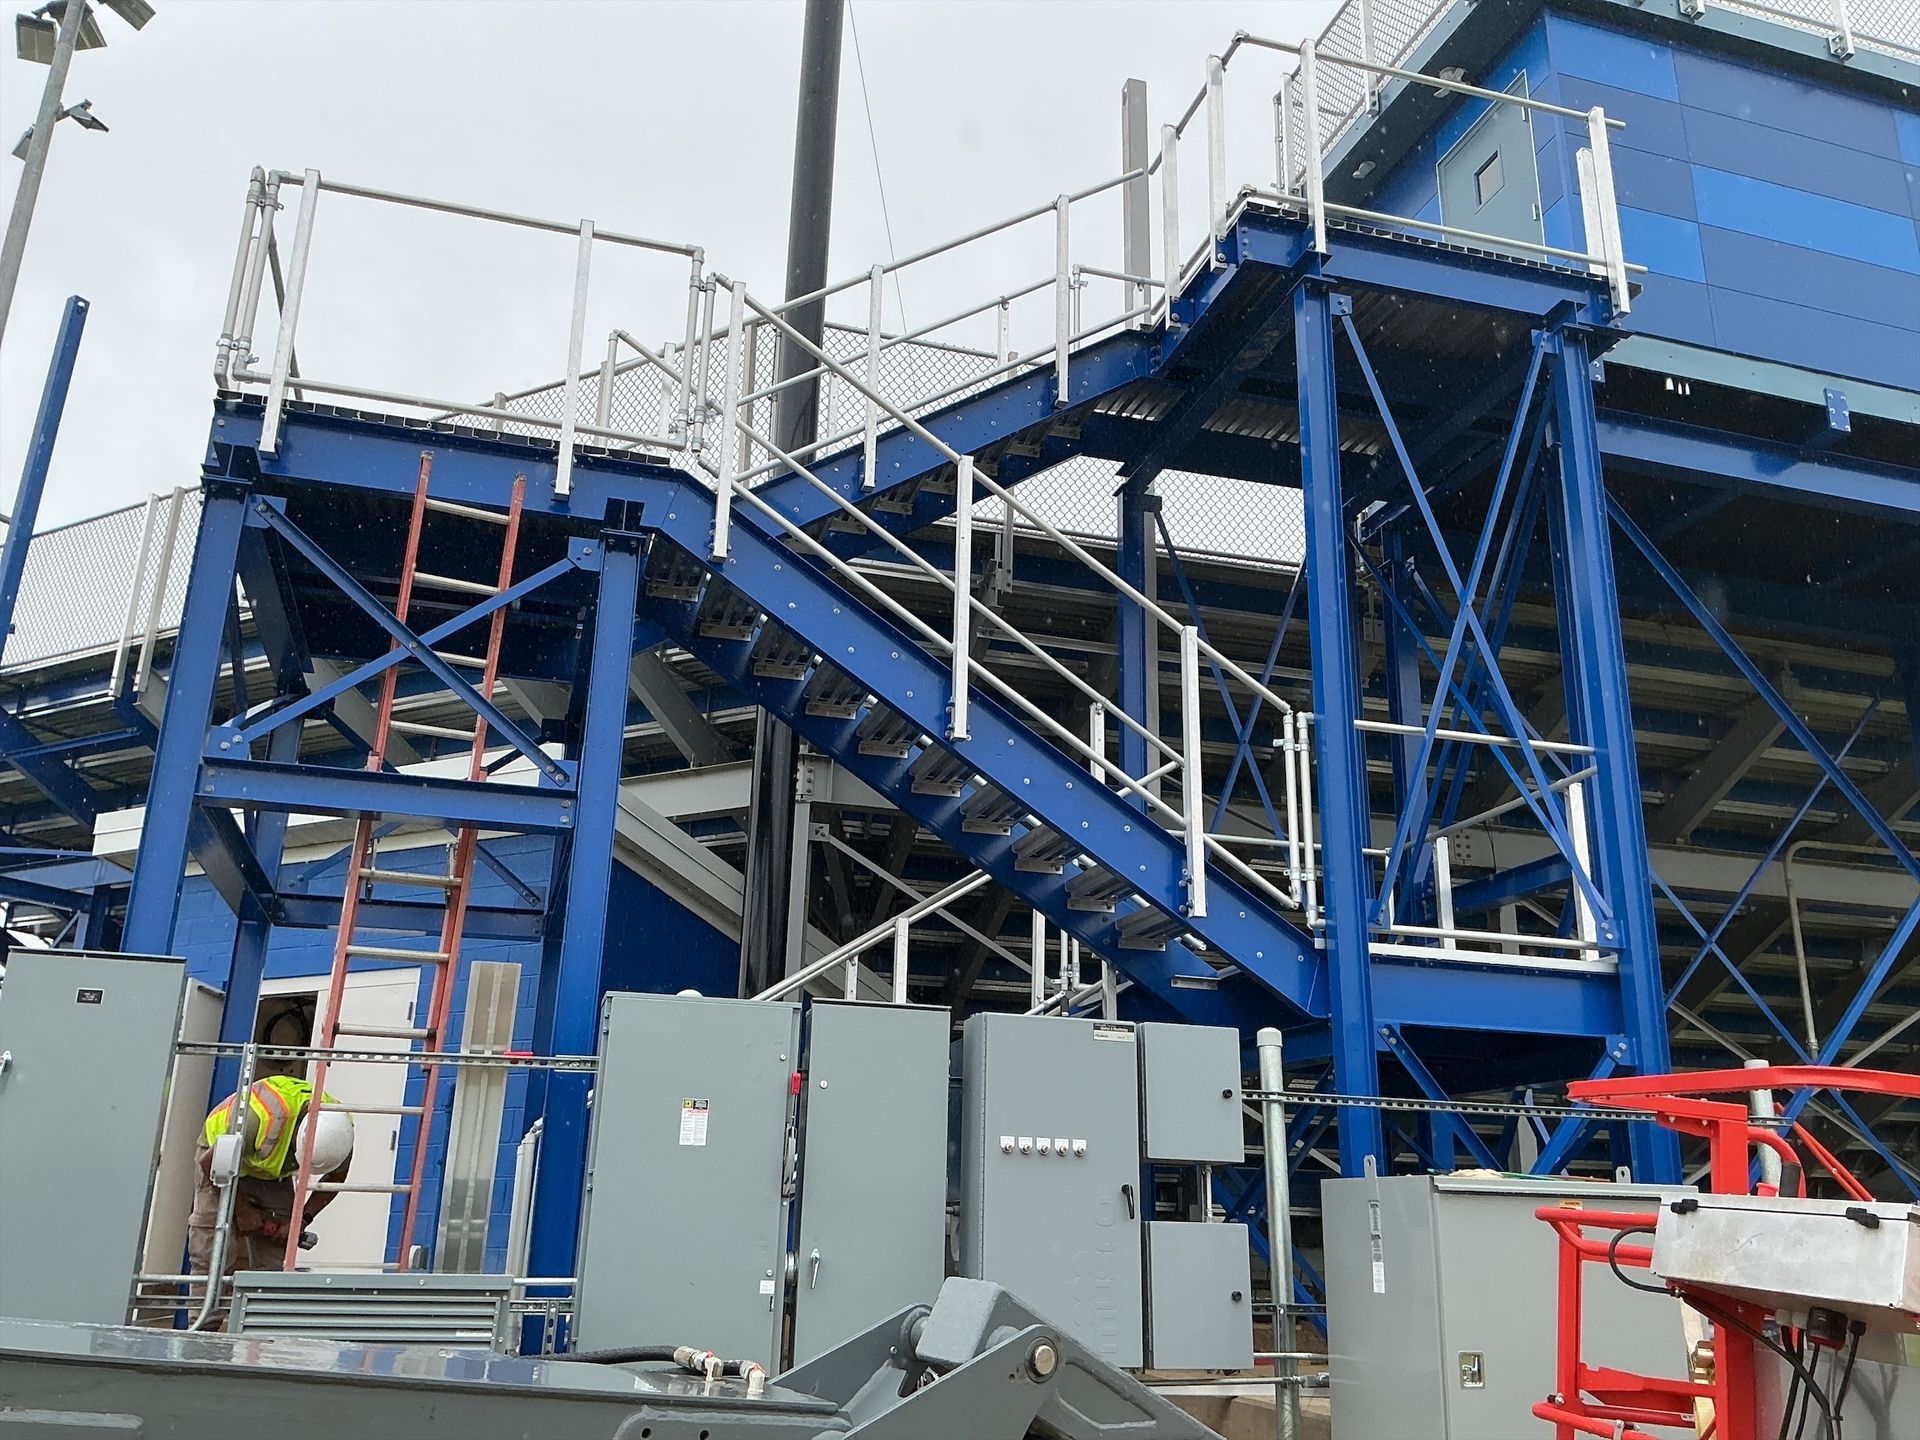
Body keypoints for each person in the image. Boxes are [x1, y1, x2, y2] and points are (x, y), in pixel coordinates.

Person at [187, 1075, 354, 1317]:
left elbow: (336, 1178)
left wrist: (300, 1221)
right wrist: (242, 1211)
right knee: (212, 1248)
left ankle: (259, 1327)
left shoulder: (341, 1132)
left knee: (277, 1259)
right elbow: (210, 1165)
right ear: (301, 1138)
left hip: (269, 1168)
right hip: (219, 1156)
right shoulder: (257, 1121)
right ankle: (204, 1327)